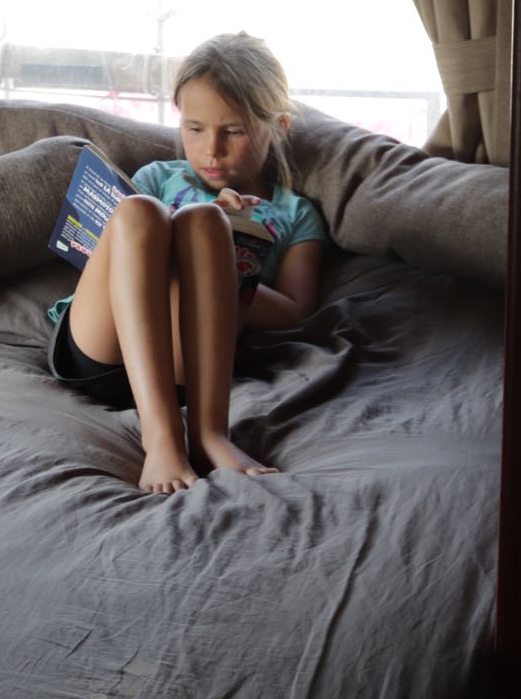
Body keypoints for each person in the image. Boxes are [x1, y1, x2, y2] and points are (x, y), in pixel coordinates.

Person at [47, 33, 327, 495]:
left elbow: (297, 310)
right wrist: (178, 250)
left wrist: (224, 266)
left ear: (278, 126)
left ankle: (209, 433)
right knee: (140, 212)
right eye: (195, 129)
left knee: (206, 223)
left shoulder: (295, 214)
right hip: (103, 346)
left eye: (233, 131)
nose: (211, 149)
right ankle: (161, 438)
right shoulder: (157, 178)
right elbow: (115, 262)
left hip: (189, 368)